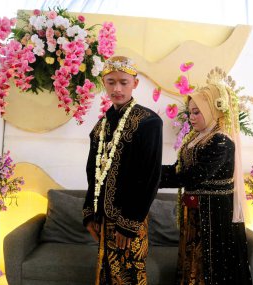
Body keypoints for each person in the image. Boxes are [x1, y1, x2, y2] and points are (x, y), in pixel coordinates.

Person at [160, 77, 252, 284]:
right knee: (192, 260)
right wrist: (153, 171)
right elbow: (179, 169)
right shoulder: (197, 137)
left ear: (213, 110)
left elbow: (195, 175)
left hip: (215, 214)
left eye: (197, 112)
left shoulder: (220, 140)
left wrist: (153, 178)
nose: (191, 118)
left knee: (210, 266)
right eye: (190, 112)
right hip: (197, 212)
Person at [83, 56, 163, 285]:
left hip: (130, 219)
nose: (117, 89)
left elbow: (150, 176)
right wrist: (90, 212)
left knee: (130, 275)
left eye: (123, 82)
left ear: (135, 84)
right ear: (104, 83)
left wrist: (129, 224)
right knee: (106, 272)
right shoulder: (101, 126)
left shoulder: (148, 122)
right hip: (102, 217)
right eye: (111, 82)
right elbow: (92, 172)